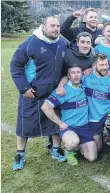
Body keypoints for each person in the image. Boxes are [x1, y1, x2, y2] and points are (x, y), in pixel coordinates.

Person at [10, 16, 68, 171]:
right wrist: (23, 88)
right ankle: (20, 154)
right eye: (52, 26)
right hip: (33, 93)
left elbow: (74, 57)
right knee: (25, 125)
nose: (56, 29)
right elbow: (15, 65)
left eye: (57, 26)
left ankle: (55, 148)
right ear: (44, 27)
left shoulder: (62, 43)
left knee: (55, 122)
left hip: (54, 94)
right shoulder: (30, 44)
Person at [42, 66, 98, 165]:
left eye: (78, 72)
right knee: (73, 142)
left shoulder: (84, 85)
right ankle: (68, 150)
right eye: (73, 73)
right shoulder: (63, 91)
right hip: (69, 128)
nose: (76, 75)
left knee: (92, 158)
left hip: (84, 127)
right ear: (68, 76)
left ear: (82, 74)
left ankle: (78, 146)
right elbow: (45, 107)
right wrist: (60, 123)